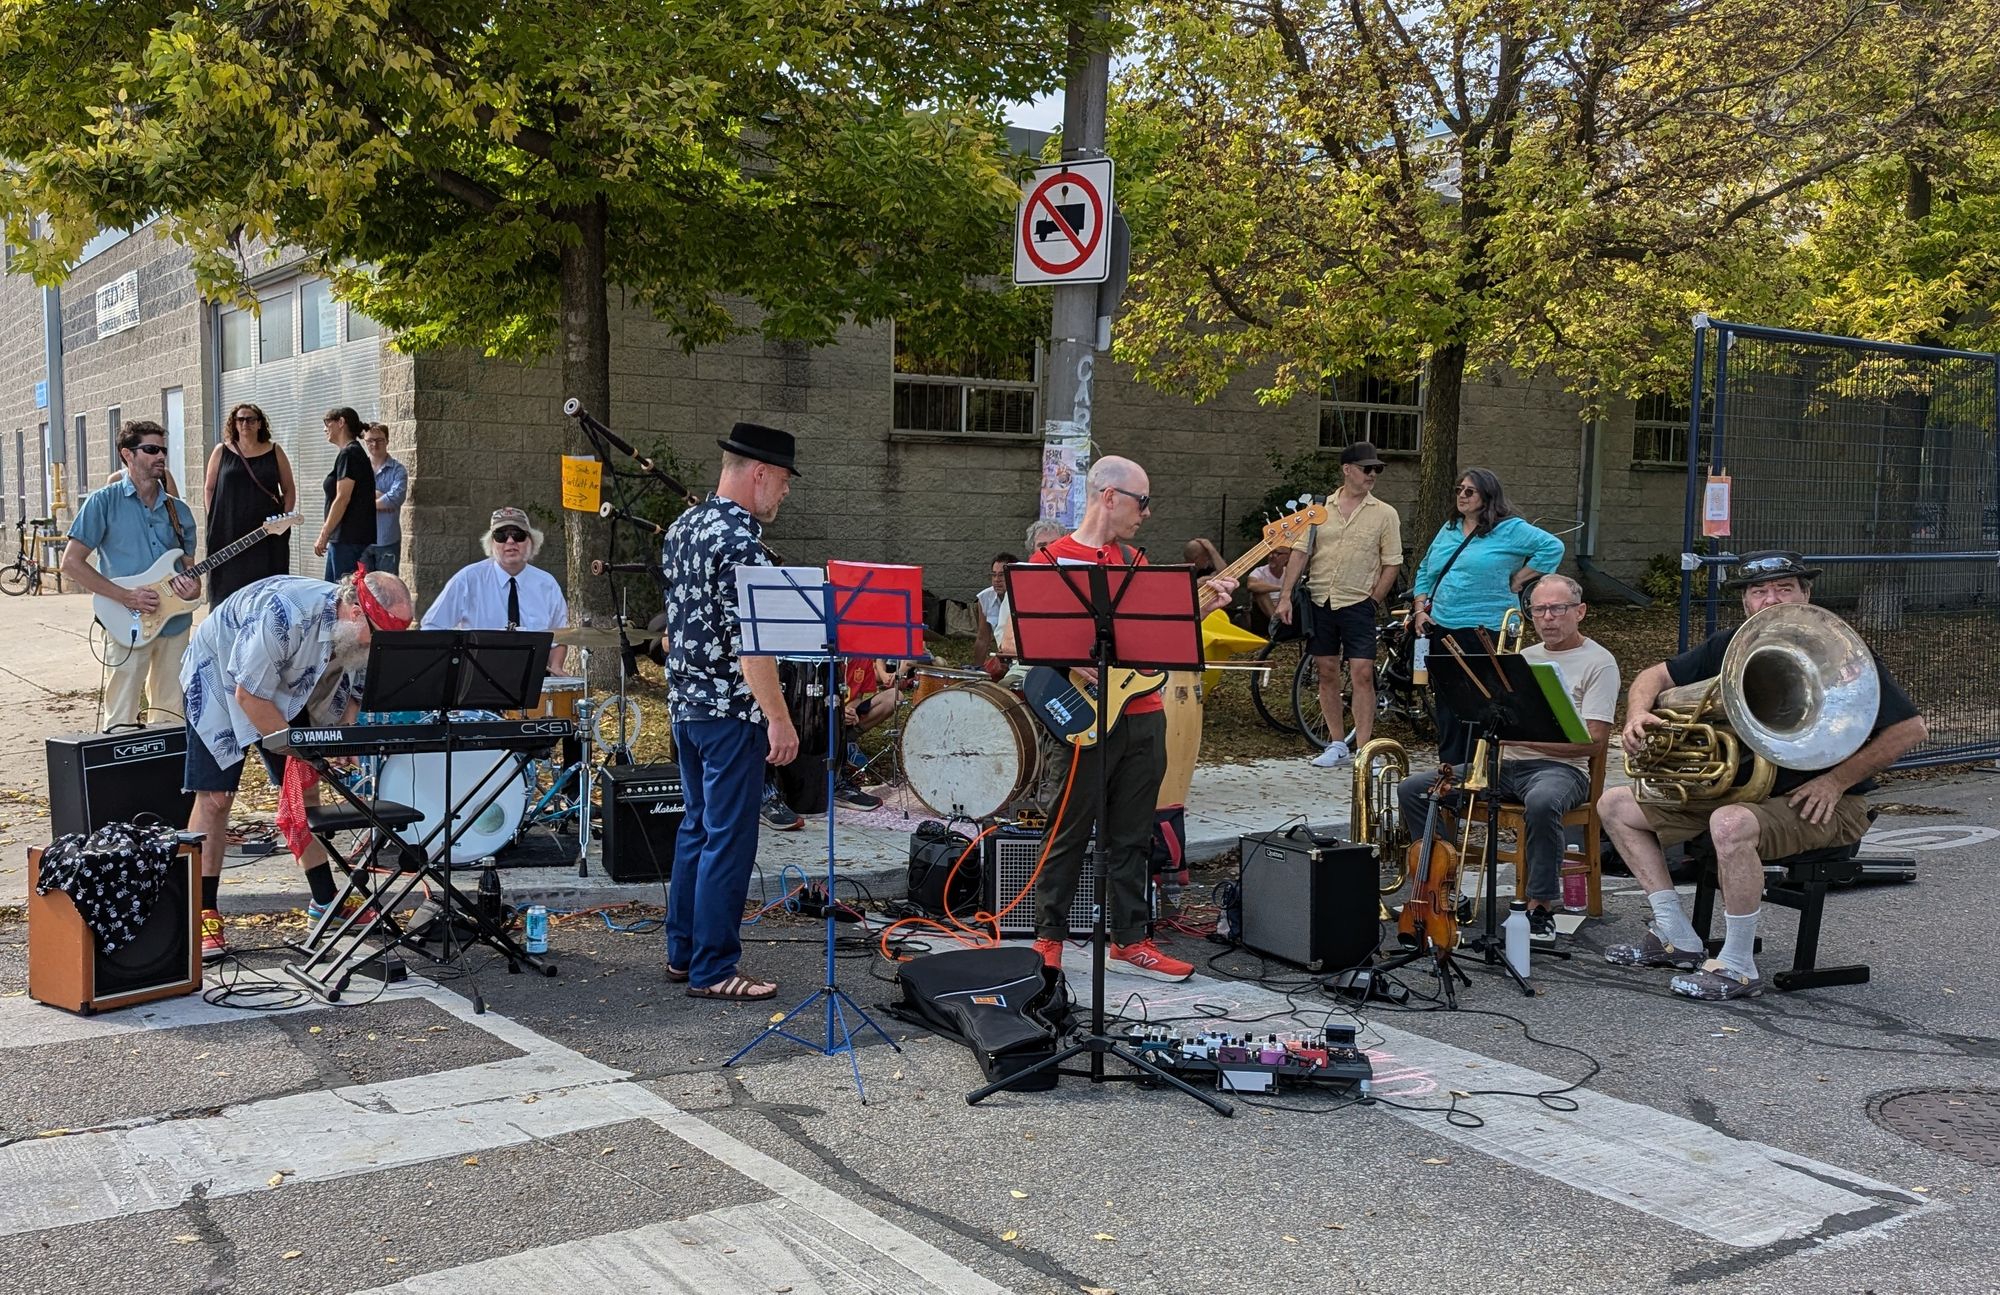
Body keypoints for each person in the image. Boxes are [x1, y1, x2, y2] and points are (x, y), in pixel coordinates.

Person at [1597, 551, 1927, 1000]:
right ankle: (1676, 936)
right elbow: (1652, 676)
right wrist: (1636, 715)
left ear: (1805, 595)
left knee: (1730, 824)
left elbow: (1911, 729)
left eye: (1784, 588)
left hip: (1824, 802)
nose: (1770, 598)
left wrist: (1835, 781)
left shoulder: (1836, 651)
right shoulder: (1730, 645)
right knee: (1615, 804)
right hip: (1743, 795)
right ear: (1746, 601)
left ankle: (1737, 966)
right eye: (1759, 590)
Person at [998, 456, 1238, 981]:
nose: (1147, 514)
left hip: (1144, 712)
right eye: (1142, 501)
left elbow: (1160, 638)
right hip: (1084, 715)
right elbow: (1012, 640)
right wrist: (1074, 651)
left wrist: (1203, 609)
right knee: (1068, 829)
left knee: (1132, 834)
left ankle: (1131, 939)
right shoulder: (1050, 561)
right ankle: (1047, 939)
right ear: (1109, 496)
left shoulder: (1135, 565)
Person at [180, 570, 416, 962]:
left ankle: (325, 900)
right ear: (355, 612)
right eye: (378, 635)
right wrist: (302, 751)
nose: (380, 646)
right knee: (216, 798)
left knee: (305, 787)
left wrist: (341, 737)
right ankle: (201, 911)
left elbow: (355, 690)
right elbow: (249, 695)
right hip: (221, 675)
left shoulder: (355, 632)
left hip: (290, 682)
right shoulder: (286, 613)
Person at [1394, 575, 1618, 947]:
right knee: (1416, 789)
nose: (1548, 618)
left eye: (1558, 609)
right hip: (1505, 765)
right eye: (1539, 610)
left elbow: (1593, 743)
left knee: (1543, 802)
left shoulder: (1599, 662)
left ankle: (1540, 905)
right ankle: (1444, 891)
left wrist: (1524, 736)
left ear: (1580, 611)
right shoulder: (1523, 658)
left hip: (1561, 769)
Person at [660, 422, 802, 1002]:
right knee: (730, 838)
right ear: (760, 473)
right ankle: (714, 968)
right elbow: (754, 645)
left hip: (686, 708)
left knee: (696, 827)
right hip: (731, 712)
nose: (786, 494)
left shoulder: (681, 527)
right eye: (785, 481)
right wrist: (780, 717)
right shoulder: (744, 543)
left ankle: (683, 952)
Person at [1410, 467, 1565, 764]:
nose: (1462, 496)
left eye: (1469, 491)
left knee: (1484, 701)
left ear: (1488, 496)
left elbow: (1552, 547)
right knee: (1449, 702)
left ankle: (1484, 769)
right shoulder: (1450, 528)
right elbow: (1426, 569)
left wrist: (1520, 579)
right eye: (1459, 490)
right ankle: (1451, 770)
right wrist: (1419, 609)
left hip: (1487, 628)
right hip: (1443, 626)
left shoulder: (1510, 529)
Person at [62, 421, 202, 730]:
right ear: (128, 454)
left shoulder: (179, 510)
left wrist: (192, 589)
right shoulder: (103, 502)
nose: (160, 456)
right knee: (122, 711)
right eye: (151, 450)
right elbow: (71, 563)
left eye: (163, 449)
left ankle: (165, 774)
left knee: (172, 712)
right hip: (127, 619)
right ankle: (120, 774)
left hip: (175, 622)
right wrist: (126, 596)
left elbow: (191, 571)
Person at [1275, 442, 1404, 768]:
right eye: (1366, 468)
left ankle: (1364, 748)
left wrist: (1374, 599)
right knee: (1326, 670)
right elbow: (1300, 554)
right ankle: (1336, 743)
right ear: (1347, 469)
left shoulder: (1385, 513)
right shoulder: (1319, 510)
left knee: (1362, 673)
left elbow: (1392, 563)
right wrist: (1286, 595)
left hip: (1359, 601)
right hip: (1320, 599)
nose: (1373, 474)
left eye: (1377, 469)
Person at [421, 507, 570, 673]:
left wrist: (556, 668)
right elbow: (432, 628)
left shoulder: (547, 584)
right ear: (491, 543)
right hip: (478, 678)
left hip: (533, 680)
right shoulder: (468, 580)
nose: (510, 541)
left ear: (532, 541)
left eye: (518, 535)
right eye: (501, 535)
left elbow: (560, 637)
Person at [203, 402, 296, 608]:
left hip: (267, 533)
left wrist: (285, 519)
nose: (245, 423)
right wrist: (215, 517)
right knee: (228, 588)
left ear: (260, 424)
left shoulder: (275, 450)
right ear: (234, 424)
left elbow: (289, 489)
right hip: (228, 532)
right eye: (240, 419)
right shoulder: (221, 451)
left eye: (251, 419)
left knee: (266, 588)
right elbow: (209, 488)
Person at [313, 406, 376, 580]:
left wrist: (323, 535)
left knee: (343, 597)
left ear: (341, 422)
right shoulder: (352, 453)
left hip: (347, 540)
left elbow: (342, 498)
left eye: (327, 423)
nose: (324, 429)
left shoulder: (349, 454)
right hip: (347, 539)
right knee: (336, 595)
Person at [360, 422, 407, 575]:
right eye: (370, 440)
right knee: (361, 590)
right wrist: (381, 497)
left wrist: (365, 502)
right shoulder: (358, 468)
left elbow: (395, 499)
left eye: (379, 440)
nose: (374, 444)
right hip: (362, 541)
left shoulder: (398, 470)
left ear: (387, 441)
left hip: (387, 541)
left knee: (388, 591)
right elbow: (350, 498)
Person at [970, 552, 1020, 679]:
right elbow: (982, 638)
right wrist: (976, 671)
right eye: (994, 575)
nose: (997, 580)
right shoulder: (985, 597)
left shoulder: (1022, 594)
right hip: (1001, 657)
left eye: (1002, 575)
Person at [1246, 545, 1291, 625]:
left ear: (1287, 557)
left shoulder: (1290, 572)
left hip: (1286, 605)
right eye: (1270, 552)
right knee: (1260, 591)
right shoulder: (1259, 572)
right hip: (1264, 611)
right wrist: (1282, 588)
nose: (1271, 556)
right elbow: (1251, 586)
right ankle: (1277, 623)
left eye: (1277, 553)